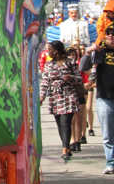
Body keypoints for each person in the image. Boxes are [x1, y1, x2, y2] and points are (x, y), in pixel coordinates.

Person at [40, 40, 83, 161]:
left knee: (65, 121)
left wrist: (71, 78)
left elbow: (79, 79)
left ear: (56, 51)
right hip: (55, 96)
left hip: (69, 95)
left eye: (50, 49)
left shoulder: (70, 63)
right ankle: (67, 146)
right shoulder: (49, 65)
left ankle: (64, 149)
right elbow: (45, 81)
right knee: (59, 124)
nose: (48, 52)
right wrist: (42, 96)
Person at [80, 25, 114, 174]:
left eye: (113, 34)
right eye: (109, 34)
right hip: (105, 98)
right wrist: (89, 51)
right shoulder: (100, 52)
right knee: (107, 134)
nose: (111, 36)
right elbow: (82, 66)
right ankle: (110, 163)